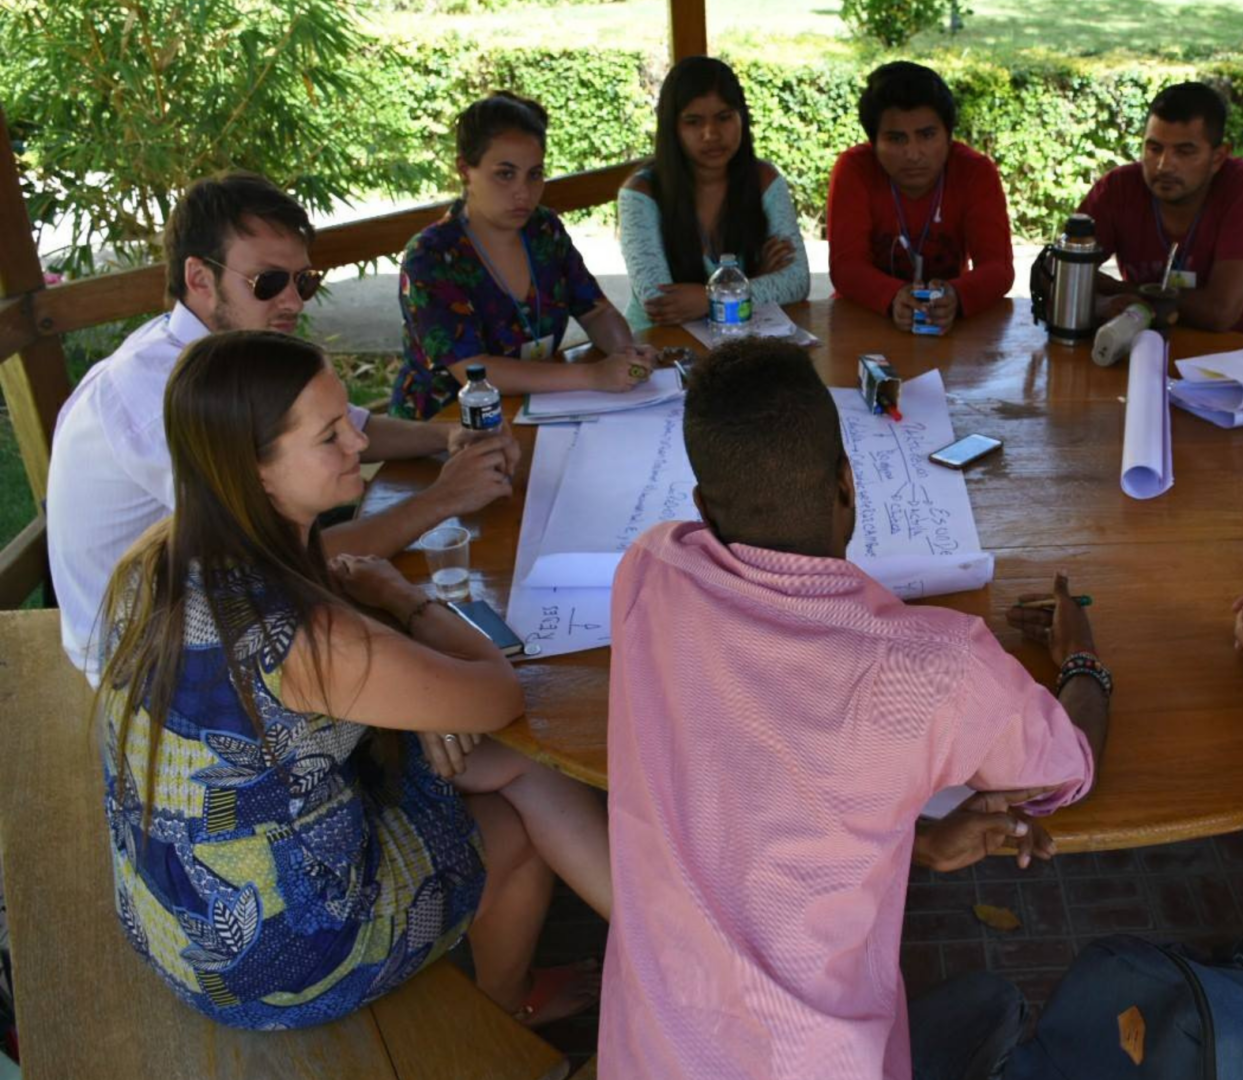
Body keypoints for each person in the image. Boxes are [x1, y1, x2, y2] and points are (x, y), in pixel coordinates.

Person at [598, 337, 1110, 1078]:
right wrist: (1084, 657)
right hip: (826, 1063)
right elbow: (1064, 768)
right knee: (994, 1008)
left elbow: (759, 771)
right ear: (847, 483)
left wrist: (913, 838)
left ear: (705, 506)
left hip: (647, 1057)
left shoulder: (649, 570)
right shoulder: (935, 665)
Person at [94, 331, 613, 1030]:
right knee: (519, 806)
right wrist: (407, 601)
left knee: (507, 765)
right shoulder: (306, 638)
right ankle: (507, 1010)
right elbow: (497, 693)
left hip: (171, 904)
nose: (359, 446)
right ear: (256, 470)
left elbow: (328, 570)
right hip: (275, 959)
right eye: (330, 436)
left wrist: (411, 699)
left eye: (349, 420)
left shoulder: (159, 559)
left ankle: (662, 941)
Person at [47, 171, 519, 678]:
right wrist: (443, 499)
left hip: (226, 602)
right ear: (199, 279)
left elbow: (353, 427)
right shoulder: (158, 393)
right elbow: (282, 563)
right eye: (268, 282)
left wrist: (447, 438)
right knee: (467, 681)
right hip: (157, 665)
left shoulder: (221, 355)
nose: (292, 301)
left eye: (304, 281)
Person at [394, 92, 655, 420]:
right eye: (505, 174)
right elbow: (474, 370)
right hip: (445, 429)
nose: (523, 192)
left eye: (534, 174)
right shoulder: (431, 256)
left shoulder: (543, 230)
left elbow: (595, 310)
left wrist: (625, 353)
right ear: (465, 170)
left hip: (543, 407)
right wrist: (594, 375)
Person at [1077, 81, 1243, 339]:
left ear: (1218, 157)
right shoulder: (1118, 188)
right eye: (1154, 149)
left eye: (1184, 152)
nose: (1164, 166)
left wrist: (1119, 289)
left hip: (1241, 362)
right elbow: (1052, 274)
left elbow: (1220, 313)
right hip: (1141, 352)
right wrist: (1102, 304)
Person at [618, 55, 809, 332]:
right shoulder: (640, 193)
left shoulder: (765, 180)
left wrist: (704, 298)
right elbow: (658, 302)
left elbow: (797, 282)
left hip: (741, 343)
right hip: (658, 348)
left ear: (742, 117)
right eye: (693, 121)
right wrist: (754, 281)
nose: (711, 134)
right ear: (672, 128)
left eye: (724, 117)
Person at [826, 61, 1015, 336]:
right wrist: (893, 298)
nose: (913, 154)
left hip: (949, 327)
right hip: (865, 319)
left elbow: (998, 268)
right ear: (873, 142)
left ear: (949, 135)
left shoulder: (975, 172)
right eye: (896, 138)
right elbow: (846, 268)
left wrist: (957, 296)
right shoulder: (854, 169)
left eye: (927, 135)